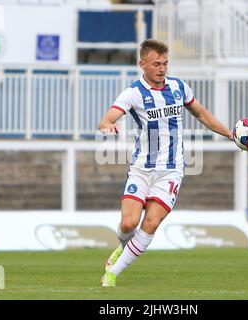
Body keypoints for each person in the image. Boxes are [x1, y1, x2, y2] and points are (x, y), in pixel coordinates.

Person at [98, 39, 233, 286]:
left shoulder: (179, 87)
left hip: (171, 171)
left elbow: (202, 115)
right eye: (156, 64)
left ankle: (112, 274)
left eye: (165, 63)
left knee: (151, 223)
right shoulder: (133, 93)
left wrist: (230, 134)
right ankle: (121, 246)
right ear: (143, 65)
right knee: (129, 223)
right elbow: (106, 119)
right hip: (141, 169)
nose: (162, 69)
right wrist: (109, 126)